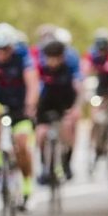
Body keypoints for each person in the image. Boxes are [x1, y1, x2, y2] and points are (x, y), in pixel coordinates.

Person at [0, 22, 40, 211]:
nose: (2, 53)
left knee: (22, 145)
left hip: (20, 106)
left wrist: (30, 105)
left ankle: (28, 189)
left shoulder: (24, 57)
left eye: (5, 49)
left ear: (12, 47)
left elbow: (32, 84)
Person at [35, 39, 83, 183]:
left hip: (66, 101)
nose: (53, 61)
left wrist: (76, 107)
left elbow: (78, 87)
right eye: (50, 57)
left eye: (56, 57)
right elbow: (34, 86)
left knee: (67, 127)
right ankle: (45, 166)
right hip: (46, 102)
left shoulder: (69, 67)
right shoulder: (41, 67)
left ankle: (66, 161)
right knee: (41, 133)